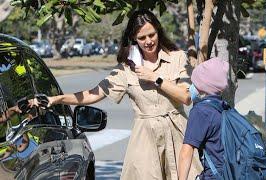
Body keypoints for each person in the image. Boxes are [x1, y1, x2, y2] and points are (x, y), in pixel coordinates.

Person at [33, 9, 202, 180]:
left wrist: (155, 78)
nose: (149, 41)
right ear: (133, 40)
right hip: (146, 139)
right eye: (142, 38)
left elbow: (186, 97)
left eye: (152, 35)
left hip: (177, 133)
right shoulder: (125, 70)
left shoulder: (178, 57)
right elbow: (93, 94)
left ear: (159, 31)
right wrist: (57, 99)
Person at [178, 58, 229, 180]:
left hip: (214, 176)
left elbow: (187, 152)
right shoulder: (225, 107)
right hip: (229, 173)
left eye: (194, 83)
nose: (191, 86)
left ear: (203, 85)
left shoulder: (201, 111)